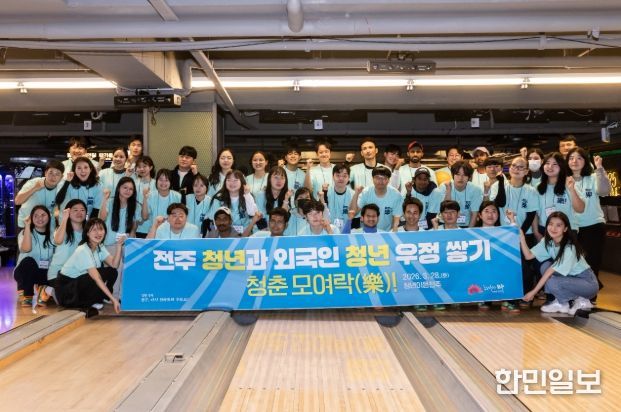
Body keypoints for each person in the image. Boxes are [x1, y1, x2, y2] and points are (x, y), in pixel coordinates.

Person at [515, 211, 598, 315]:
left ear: (565, 229)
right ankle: (563, 302)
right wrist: (522, 238)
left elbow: (549, 272)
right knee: (544, 267)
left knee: (551, 280)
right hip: (571, 279)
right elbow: (528, 256)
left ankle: (579, 300)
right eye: (551, 224)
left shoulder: (569, 248)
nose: (553, 228)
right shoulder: (548, 242)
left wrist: (533, 292)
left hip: (588, 284)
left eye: (558, 225)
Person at [56, 218, 123, 315]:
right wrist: (113, 300)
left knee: (112, 272)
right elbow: (97, 278)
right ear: (87, 233)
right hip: (66, 290)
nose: (98, 233)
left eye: (100, 229)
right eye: (94, 230)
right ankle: (87, 301)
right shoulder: (83, 250)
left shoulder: (100, 247)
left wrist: (119, 246)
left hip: (78, 283)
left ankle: (96, 299)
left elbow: (114, 264)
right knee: (96, 277)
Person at [567, 147, 611, 290]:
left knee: (592, 263)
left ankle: (591, 296)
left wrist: (599, 169)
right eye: (571, 158)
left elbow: (604, 191)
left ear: (585, 161)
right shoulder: (564, 181)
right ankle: (583, 292)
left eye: (579, 158)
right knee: (574, 264)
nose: (575, 161)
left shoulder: (592, 177)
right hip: (573, 228)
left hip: (594, 226)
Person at [473, 201, 514, 312]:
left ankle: (508, 299)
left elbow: (514, 239)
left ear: (498, 215)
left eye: (494, 211)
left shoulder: (504, 232)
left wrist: (512, 220)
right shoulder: (472, 233)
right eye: (486, 211)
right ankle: (484, 298)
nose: (490, 214)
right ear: (480, 215)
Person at [44, 200, 87, 306]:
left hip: (78, 274)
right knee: (69, 302)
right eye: (75, 210)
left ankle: (54, 293)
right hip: (58, 274)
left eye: (82, 210)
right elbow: (58, 240)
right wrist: (64, 219)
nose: (79, 213)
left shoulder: (88, 233)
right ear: (68, 213)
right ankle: (48, 290)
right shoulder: (61, 229)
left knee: (79, 299)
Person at [534, 152, 585, 240]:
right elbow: (534, 213)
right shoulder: (537, 187)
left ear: (561, 167)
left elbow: (580, 209)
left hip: (566, 230)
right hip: (544, 229)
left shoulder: (569, 184)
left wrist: (572, 190)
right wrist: (536, 232)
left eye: (555, 164)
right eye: (547, 163)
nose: (550, 167)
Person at [14, 206, 53, 306]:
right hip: (24, 271)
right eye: (36, 216)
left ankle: (42, 289)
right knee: (29, 261)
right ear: (31, 218)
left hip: (44, 272)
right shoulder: (24, 232)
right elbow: (26, 249)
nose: (40, 218)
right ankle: (27, 295)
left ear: (49, 217)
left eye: (43, 215)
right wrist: (27, 226)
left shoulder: (53, 235)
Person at [15, 160, 64, 230]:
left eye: (57, 174)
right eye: (51, 173)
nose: (53, 177)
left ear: (61, 177)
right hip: (26, 223)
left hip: (45, 225)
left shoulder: (61, 188)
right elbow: (17, 201)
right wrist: (35, 188)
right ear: (45, 173)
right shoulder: (34, 183)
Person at [352, 166, 402, 232]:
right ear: (372, 179)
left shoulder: (396, 195)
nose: (380, 181)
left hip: (386, 232)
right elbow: (354, 212)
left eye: (384, 178)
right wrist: (356, 194)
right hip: (366, 232)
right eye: (377, 178)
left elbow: (396, 219)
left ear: (389, 180)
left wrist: (393, 234)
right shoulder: (366, 192)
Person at [207, 170, 258, 234]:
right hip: (224, 235)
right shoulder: (218, 199)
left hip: (245, 234)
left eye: (235, 180)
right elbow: (214, 220)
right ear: (225, 182)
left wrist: (247, 194)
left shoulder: (247, 196)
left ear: (242, 182)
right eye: (229, 180)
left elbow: (252, 213)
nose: (232, 183)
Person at [440, 160, 483, 228]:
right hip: (446, 224)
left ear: (469, 177)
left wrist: (469, 231)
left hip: (467, 225)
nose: (461, 178)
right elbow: (444, 209)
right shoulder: (444, 186)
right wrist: (448, 191)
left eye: (465, 175)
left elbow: (474, 213)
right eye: (458, 174)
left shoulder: (476, 190)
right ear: (453, 175)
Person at [141, 169, 182, 235]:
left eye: (166, 180)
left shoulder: (178, 196)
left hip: (172, 233)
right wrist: (145, 198)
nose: (163, 183)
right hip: (154, 232)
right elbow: (144, 217)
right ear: (156, 181)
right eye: (160, 180)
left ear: (170, 182)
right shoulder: (150, 195)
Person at [323, 163, 354, 232]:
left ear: (349, 177)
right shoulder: (326, 192)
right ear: (333, 176)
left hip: (348, 231)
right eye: (338, 175)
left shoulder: (353, 194)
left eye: (344, 176)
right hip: (328, 231)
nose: (341, 178)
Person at [133, 155, 157, 238]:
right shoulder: (133, 183)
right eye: (139, 167)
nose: (142, 169)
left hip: (151, 225)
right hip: (135, 225)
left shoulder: (157, 184)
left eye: (144, 166)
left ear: (151, 167)